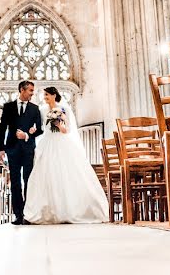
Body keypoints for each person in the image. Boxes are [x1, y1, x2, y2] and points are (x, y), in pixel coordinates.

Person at [22, 86, 108, 224]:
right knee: (45, 175)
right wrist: (33, 129)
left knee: (66, 174)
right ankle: (46, 211)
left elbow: (67, 130)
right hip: (47, 142)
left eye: (47, 95)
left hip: (62, 142)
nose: (45, 97)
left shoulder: (64, 109)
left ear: (54, 95)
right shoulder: (42, 110)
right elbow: (40, 127)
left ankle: (69, 210)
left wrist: (59, 125)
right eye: (44, 95)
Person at [0, 80, 44, 224]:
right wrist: (1, 148)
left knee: (28, 180)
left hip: (28, 149)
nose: (32, 93)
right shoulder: (8, 107)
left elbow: (40, 129)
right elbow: (3, 128)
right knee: (16, 182)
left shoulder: (35, 109)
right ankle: (18, 215)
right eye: (30, 90)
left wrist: (27, 135)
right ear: (22, 90)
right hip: (12, 149)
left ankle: (28, 214)